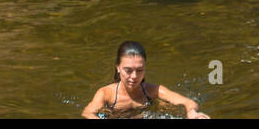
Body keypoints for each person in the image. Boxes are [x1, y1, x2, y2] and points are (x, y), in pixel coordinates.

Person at [81, 41, 209, 119]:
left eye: (139, 70)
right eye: (128, 70)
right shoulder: (106, 94)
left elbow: (188, 102)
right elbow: (87, 113)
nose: (134, 76)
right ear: (118, 67)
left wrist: (192, 113)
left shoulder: (154, 91)